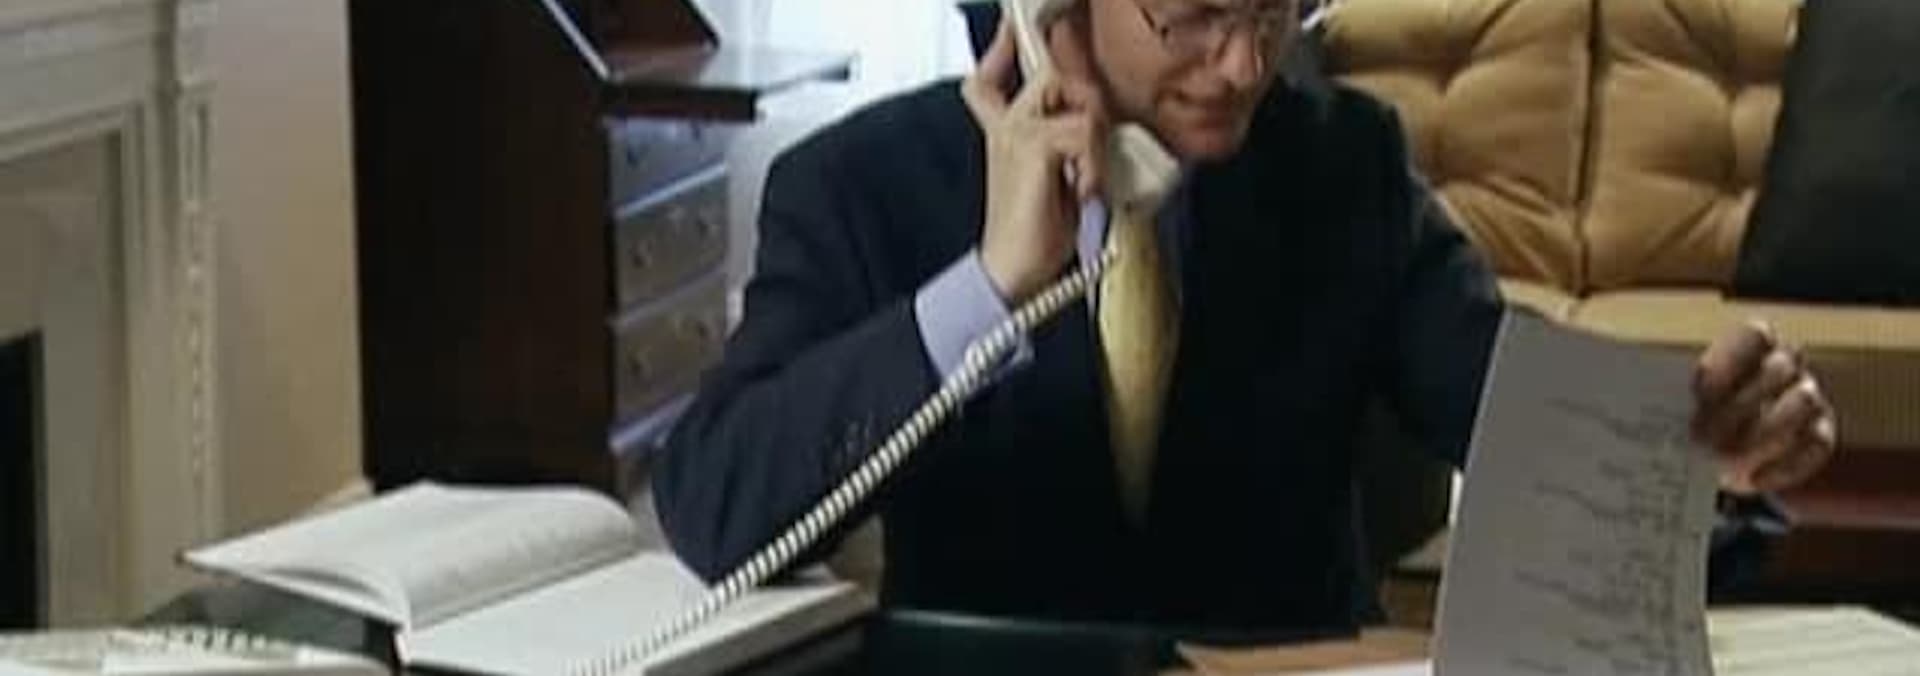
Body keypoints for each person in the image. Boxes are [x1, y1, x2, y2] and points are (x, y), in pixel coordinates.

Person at [652, 0, 1837, 630]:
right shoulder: (860, 186)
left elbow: (1504, 404)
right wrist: (990, 284)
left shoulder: (1344, 166)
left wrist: (1702, 455)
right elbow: (716, 507)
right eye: (1198, 13)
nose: (1242, 65)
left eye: (1277, 10)